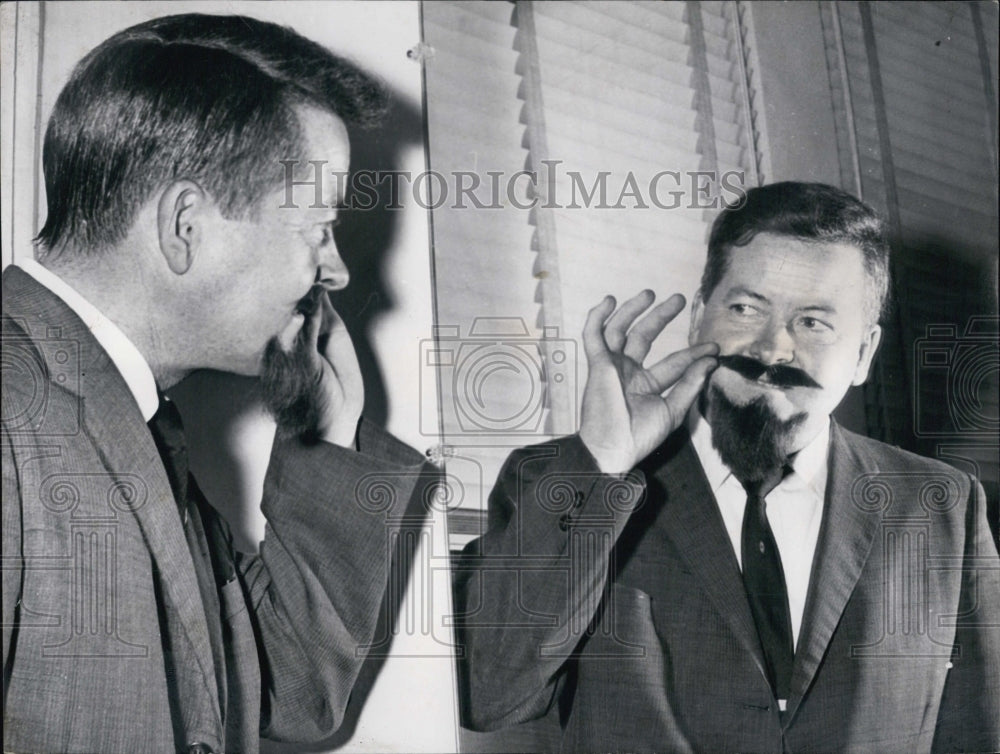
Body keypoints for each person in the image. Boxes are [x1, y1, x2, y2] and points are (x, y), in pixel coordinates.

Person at [1, 14, 432, 753]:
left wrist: (328, 438)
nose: (338, 272)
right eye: (317, 228)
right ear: (186, 227)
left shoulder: (133, 423)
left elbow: (283, 687)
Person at [457, 182, 1000, 753]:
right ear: (698, 318)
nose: (772, 350)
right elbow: (487, 693)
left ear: (863, 353)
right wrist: (602, 467)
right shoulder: (565, 479)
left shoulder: (943, 506)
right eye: (746, 308)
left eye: (813, 322)